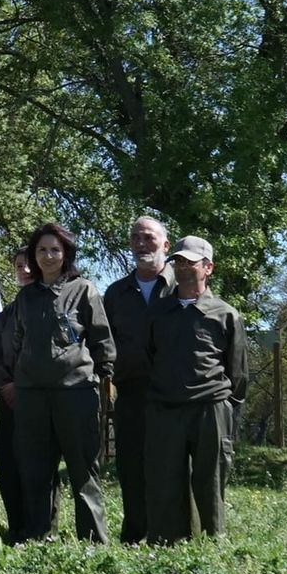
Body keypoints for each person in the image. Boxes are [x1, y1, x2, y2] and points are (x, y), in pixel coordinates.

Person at [7, 222, 116, 542]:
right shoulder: (26, 296)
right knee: (36, 470)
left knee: (84, 470)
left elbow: (102, 341)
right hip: (32, 396)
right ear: (33, 255)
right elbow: (16, 341)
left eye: (55, 249)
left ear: (65, 253)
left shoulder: (84, 290)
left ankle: (94, 539)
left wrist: (105, 381)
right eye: (41, 250)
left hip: (76, 392)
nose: (48, 255)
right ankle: (39, 536)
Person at [145, 235, 247, 543]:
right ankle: (168, 544)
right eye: (178, 261)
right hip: (166, 408)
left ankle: (213, 541)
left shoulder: (226, 314)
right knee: (165, 480)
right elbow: (150, 355)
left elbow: (238, 371)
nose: (183, 267)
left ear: (208, 268)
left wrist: (228, 409)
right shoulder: (158, 312)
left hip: (210, 407)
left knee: (210, 479)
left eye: (191, 262)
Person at [101, 216, 176, 543]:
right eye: (136, 238)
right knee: (130, 466)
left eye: (149, 237)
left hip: (173, 394)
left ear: (166, 245)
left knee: (170, 466)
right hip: (130, 392)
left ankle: (170, 533)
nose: (142, 244)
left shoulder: (180, 287)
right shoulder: (116, 293)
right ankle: (134, 534)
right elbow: (103, 344)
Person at [0, 247, 57, 539]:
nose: (24, 270)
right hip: (12, 400)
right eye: (18, 266)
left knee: (42, 465)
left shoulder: (52, 306)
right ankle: (16, 526)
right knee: (8, 462)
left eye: (29, 265)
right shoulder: (6, 315)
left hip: (45, 398)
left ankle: (43, 528)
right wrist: (6, 385)